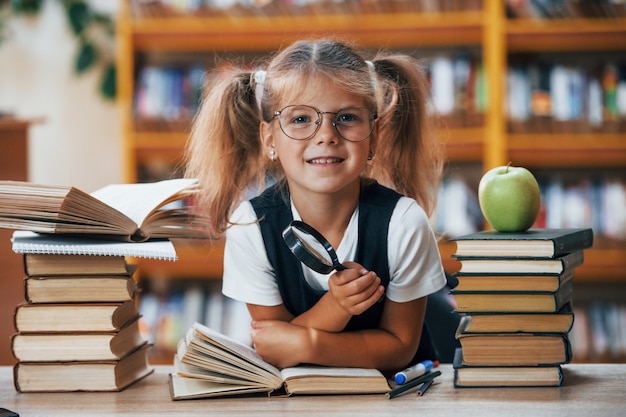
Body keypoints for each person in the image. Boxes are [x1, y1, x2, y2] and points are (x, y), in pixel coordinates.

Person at [185, 38, 447, 372]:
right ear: (269, 139)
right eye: (300, 119)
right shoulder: (251, 226)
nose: (326, 135)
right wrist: (337, 306)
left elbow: (399, 349)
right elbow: (274, 348)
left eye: (347, 117)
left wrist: (308, 343)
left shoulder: (404, 222)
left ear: (374, 136)